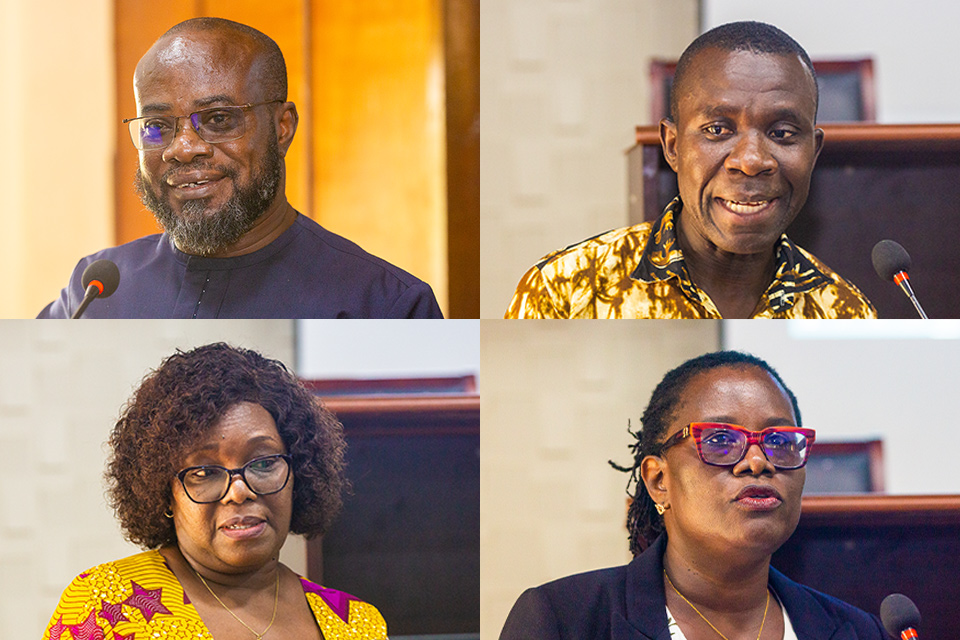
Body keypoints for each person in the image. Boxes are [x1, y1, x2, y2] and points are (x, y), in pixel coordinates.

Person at [38, 17, 442, 319]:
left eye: (217, 120)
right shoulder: (96, 289)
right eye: (158, 126)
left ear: (282, 128)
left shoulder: (385, 304)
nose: (183, 149)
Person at [499, 351, 886, 639]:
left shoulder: (859, 631)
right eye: (720, 440)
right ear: (658, 481)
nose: (757, 462)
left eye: (780, 441)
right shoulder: (564, 621)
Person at [505, 22, 875, 319]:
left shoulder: (845, 312)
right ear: (672, 146)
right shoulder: (566, 292)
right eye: (717, 130)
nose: (750, 160)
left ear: (814, 151)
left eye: (781, 133)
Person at [42, 343, 387, 639]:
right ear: (166, 494)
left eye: (264, 463)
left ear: (300, 473)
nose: (238, 491)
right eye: (204, 472)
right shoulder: (104, 606)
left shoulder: (356, 624)